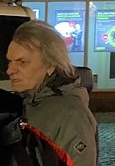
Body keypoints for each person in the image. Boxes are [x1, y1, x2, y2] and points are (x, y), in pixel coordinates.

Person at [5, 20, 97, 166]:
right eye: (10, 62)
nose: (10, 70)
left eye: (22, 62)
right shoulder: (21, 104)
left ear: (50, 65)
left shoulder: (70, 114)